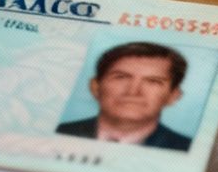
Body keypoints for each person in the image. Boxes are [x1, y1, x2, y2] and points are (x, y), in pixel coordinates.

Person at [56, 42, 194, 151]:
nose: (133, 92)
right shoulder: (58, 133)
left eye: (153, 81)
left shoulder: (186, 149)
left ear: (173, 95)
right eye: (121, 77)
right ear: (95, 87)